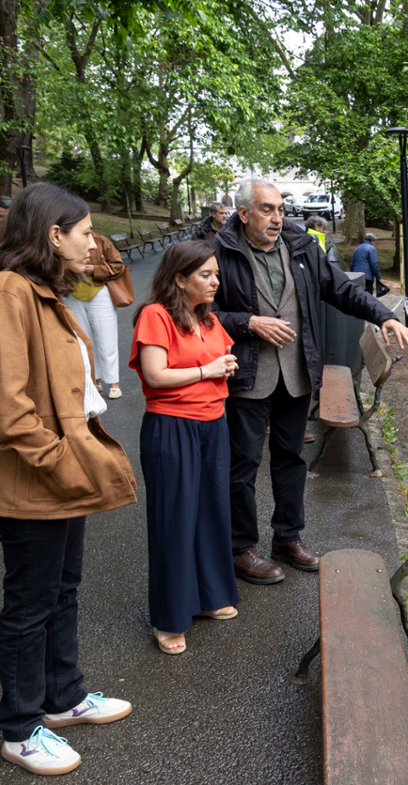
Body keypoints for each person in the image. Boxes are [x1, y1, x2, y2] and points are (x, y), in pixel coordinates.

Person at [0, 182, 137, 776]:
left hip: (56, 470)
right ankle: (20, 728)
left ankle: (63, 697)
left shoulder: (43, 289)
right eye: (84, 232)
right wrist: (58, 459)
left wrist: (66, 459)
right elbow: (2, 403)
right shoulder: (7, 291)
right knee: (30, 603)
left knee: (62, 590)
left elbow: (104, 277)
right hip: (33, 476)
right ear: (54, 235)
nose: (93, 243)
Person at [212, 178, 408, 584]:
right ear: (244, 213)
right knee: (243, 465)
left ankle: (288, 537)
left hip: (297, 373)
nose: (277, 217)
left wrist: (384, 315)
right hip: (248, 377)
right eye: (267, 209)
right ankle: (240, 548)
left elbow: (341, 290)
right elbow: (201, 312)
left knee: (291, 459)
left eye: (280, 209)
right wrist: (248, 322)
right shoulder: (220, 252)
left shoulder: (302, 247)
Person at [130, 240, 241, 655]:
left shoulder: (207, 318)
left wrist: (224, 366)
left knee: (211, 513)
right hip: (171, 427)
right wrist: (207, 370)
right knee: (174, 520)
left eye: (216, 274)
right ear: (179, 278)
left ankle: (211, 595)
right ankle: (170, 618)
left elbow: (220, 357)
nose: (215, 282)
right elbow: (156, 376)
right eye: (205, 275)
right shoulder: (155, 315)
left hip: (213, 424)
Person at [65, 231, 124, 400]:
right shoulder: (63, 241)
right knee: (83, 342)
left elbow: (117, 265)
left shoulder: (100, 241)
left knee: (107, 339)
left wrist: (94, 269)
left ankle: (114, 384)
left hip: (100, 293)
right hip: (72, 295)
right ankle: (94, 381)